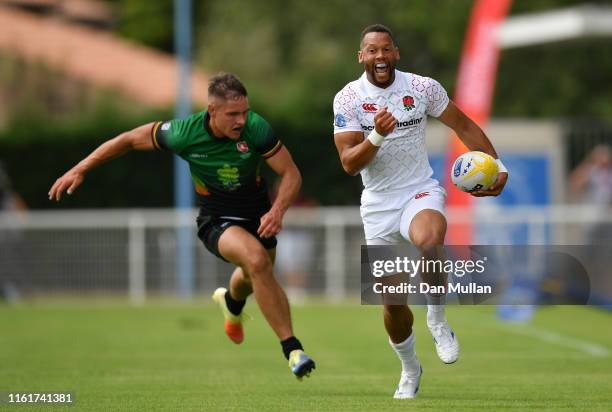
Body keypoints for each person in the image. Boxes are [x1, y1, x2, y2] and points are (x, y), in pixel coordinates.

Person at [48, 72, 316, 379]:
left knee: (254, 272)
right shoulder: (183, 133)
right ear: (211, 111)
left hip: (259, 215)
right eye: (233, 114)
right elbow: (127, 140)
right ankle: (293, 350)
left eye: (244, 112)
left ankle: (231, 302)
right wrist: (80, 169)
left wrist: (278, 210)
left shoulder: (255, 128)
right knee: (256, 261)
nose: (241, 120)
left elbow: (291, 173)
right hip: (216, 219)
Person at [332, 24, 508, 399]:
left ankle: (438, 319)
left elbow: (463, 125)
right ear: (360, 57)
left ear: (396, 53)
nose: (380, 56)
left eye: (386, 49)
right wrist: (376, 135)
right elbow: (348, 164)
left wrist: (498, 165)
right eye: (371, 51)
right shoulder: (347, 100)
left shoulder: (422, 87)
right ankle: (410, 369)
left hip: (419, 189)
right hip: (378, 204)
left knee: (430, 241)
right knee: (392, 302)